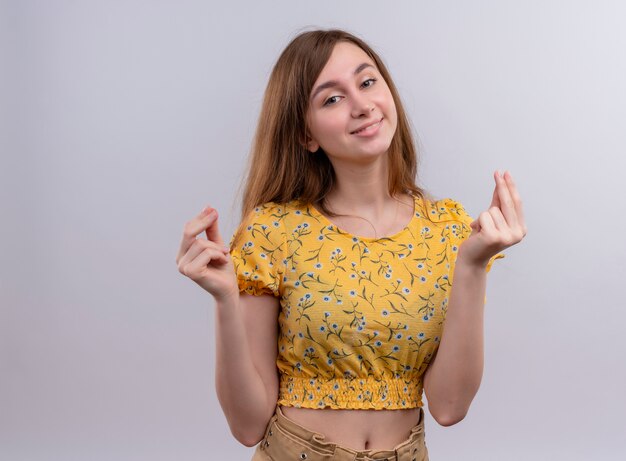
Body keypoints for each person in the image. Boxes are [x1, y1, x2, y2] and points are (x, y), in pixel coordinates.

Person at [176, 29, 526, 461]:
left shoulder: (448, 231)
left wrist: (472, 266)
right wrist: (226, 298)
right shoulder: (273, 231)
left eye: (366, 82)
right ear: (307, 136)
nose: (361, 106)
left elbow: (450, 407)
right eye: (331, 99)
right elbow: (248, 426)